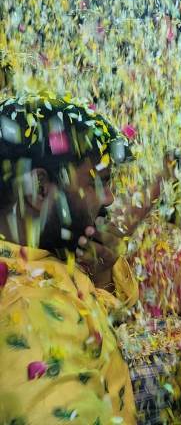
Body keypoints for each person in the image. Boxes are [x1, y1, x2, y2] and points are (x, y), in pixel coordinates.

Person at [0, 92, 138, 424]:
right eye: (99, 182)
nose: (109, 198)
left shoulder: (36, 266)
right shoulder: (24, 309)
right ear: (39, 188)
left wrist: (101, 275)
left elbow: (88, 340)